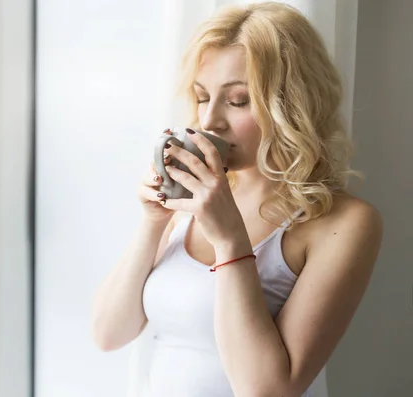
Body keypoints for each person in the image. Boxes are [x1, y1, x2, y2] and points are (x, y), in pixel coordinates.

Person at [91, 2, 383, 396]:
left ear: (291, 104)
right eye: (201, 97)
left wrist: (230, 240)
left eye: (238, 100)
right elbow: (110, 333)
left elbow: (268, 389)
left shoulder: (344, 222)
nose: (209, 120)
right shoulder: (193, 196)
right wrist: (154, 220)